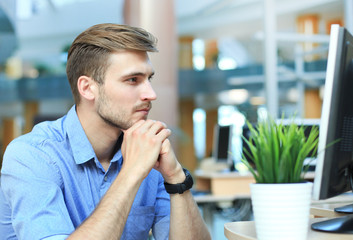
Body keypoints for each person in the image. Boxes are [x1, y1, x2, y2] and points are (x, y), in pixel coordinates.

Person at [0, 23, 211, 240]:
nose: (151, 93)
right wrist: (132, 172)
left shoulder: (149, 155)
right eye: (132, 80)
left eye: (149, 79)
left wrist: (176, 178)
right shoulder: (31, 156)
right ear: (87, 88)